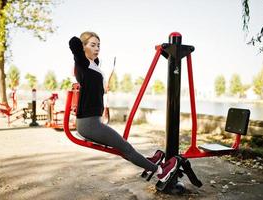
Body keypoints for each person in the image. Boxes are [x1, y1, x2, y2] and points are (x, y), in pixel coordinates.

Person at [68, 31, 180, 183]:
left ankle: (148, 163)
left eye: (99, 45)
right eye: (92, 45)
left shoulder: (94, 64)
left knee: (123, 145)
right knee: (125, 148)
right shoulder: (83, 63)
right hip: (89, 124)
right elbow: (73, 43)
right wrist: (81, 48)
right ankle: (161, 171)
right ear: (83, 48)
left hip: (92, 121)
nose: (97, 48)